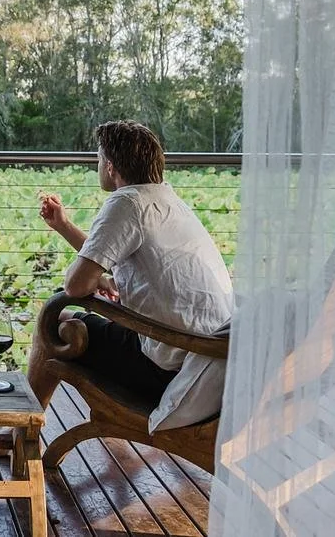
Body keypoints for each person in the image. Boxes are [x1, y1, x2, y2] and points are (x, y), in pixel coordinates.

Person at [37, 120, 234, 401]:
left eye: (98, 158)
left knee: (55, 314)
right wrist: (64, 226)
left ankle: (23, 430)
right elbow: (106, 253)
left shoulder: (126, 202)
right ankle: (25, 424)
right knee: (69, 312)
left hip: (167, 369)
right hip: (202, 358)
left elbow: (76, 287)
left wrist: (89, 279)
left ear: (110, 166)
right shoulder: (164, 198)